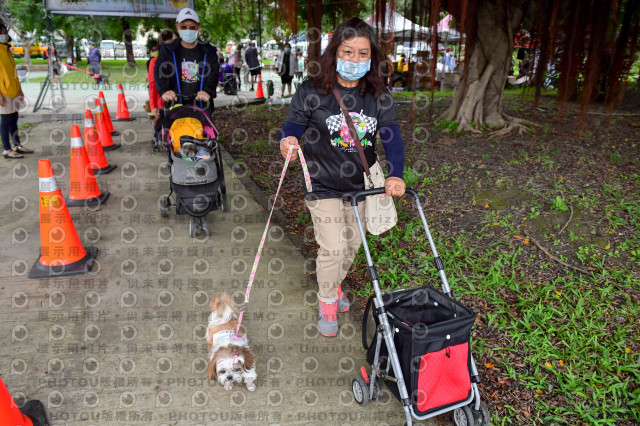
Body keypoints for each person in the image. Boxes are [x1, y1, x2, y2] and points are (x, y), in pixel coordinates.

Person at [279, 17, 405, 337]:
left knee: (350, 248)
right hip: (322, 182)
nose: (354, 60)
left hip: (362, 184)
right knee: (333, 248)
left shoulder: (377, 93)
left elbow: (391, 136)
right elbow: (293, 126)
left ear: (372, 57)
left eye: (363, 54)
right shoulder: (312, 90)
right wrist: (288, 141)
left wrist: (396, 174)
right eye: (347, 52)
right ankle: (327, 301)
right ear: (335, 52)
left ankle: (334, 286)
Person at [155, 7, 220, 113]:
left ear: (198, 28)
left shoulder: (208, 51)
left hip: (202, 107)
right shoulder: (167, 50)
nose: (188, 30)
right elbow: (159, 71)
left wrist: (207, 91)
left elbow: (214, 73)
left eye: (192, 27)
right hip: (175, 106)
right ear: (177, 27)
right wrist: (164, 91)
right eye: (184, 27)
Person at [0, 23, 33, 159]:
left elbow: (13, 73)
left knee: (14, 119)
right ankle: (7, 150)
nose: (4, 35)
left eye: (4, 32)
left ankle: (17, 145)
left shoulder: (7, 51)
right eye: (2, 32)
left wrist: (20, 90)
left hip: (13, 91)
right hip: (4, 93)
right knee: (6, 121)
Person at [148, 30, 176, 124]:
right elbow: (152, 85)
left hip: (183, 103)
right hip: (164, 104)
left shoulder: (183, 60)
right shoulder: (155, 62)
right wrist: (153, 106)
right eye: (168, 43)